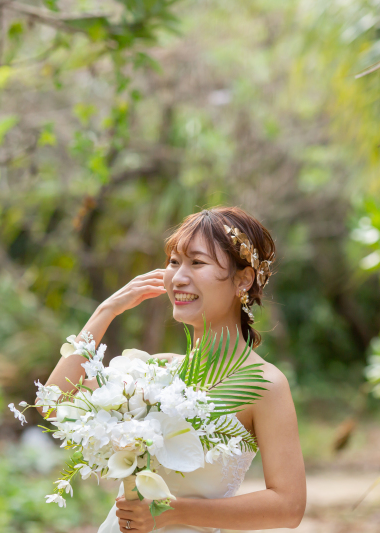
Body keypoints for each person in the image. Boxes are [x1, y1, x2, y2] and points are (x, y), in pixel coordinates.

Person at [44, 207, 306, 532]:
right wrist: (106, 311)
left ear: (243, 279)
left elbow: (288, 506)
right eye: (173, 262)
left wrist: (172, 512)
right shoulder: (157, 369)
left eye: (196, 262)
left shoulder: (264, 385)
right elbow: (53, 404)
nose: (179, 277)